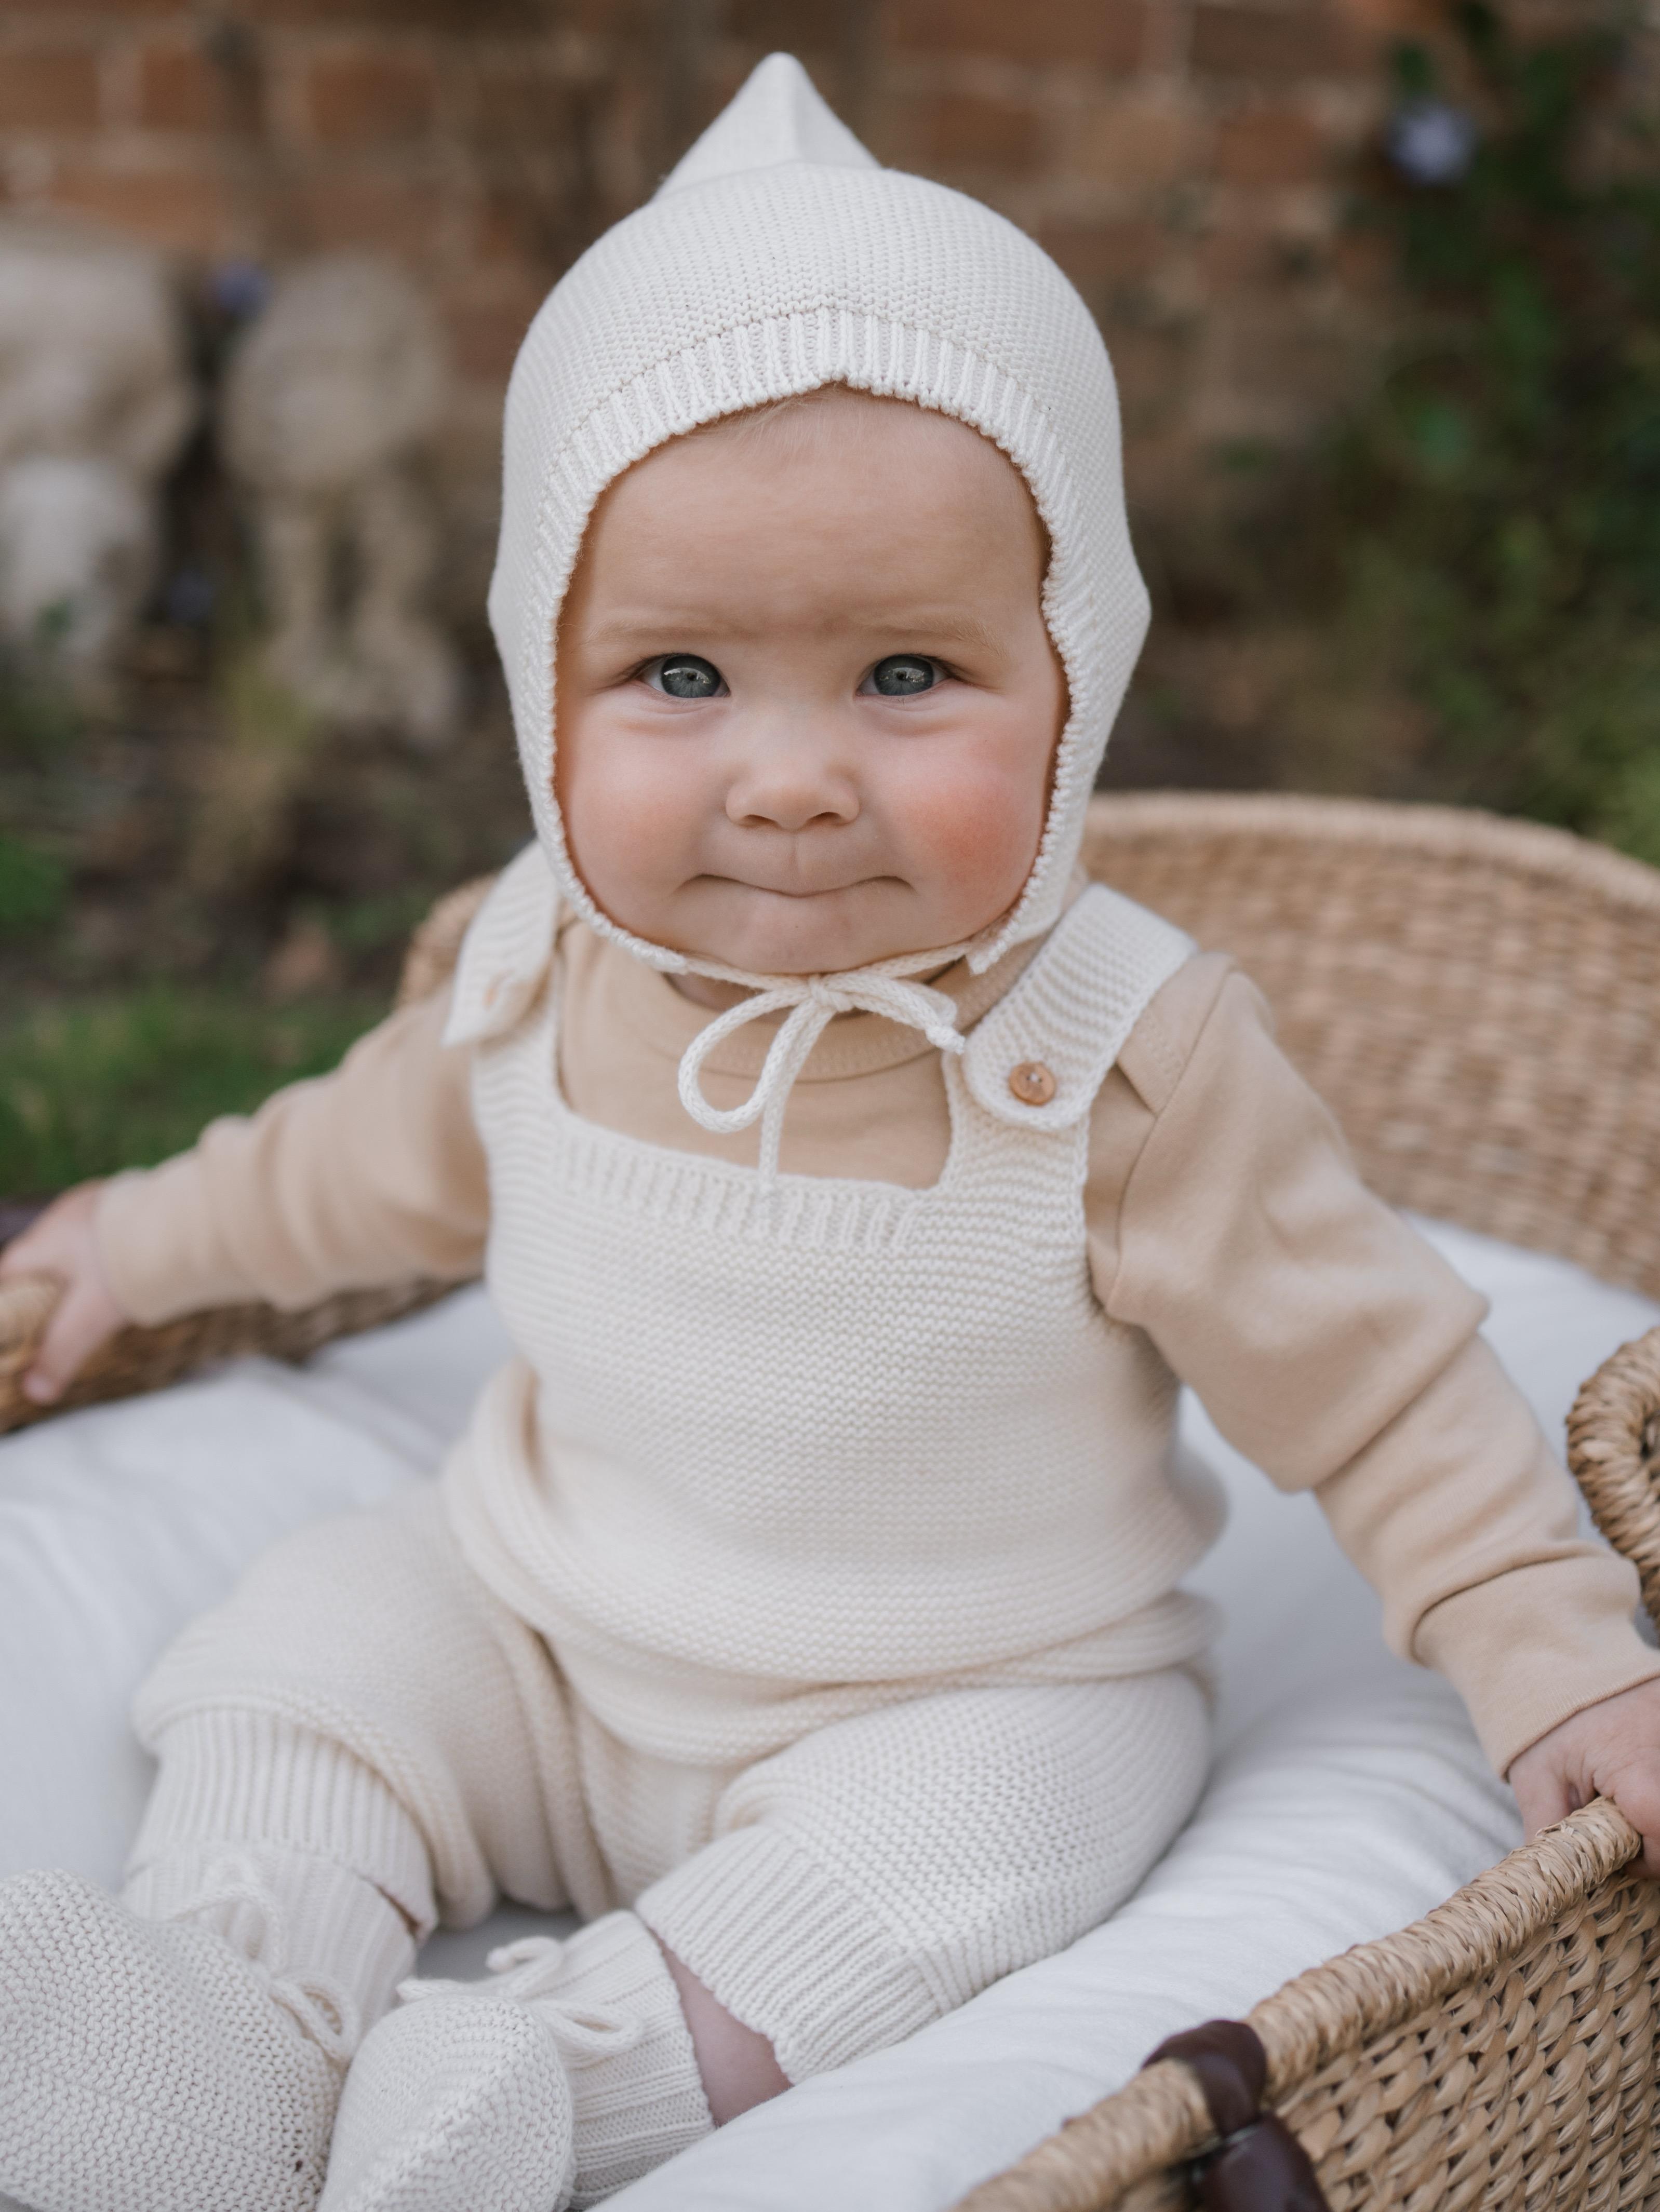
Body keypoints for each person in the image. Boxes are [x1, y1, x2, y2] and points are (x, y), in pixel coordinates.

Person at [4, 53, 1660, 2212]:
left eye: (902, 676)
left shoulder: (1121, 1053)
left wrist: (1554, 1669)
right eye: (681, 678)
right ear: (542, 690)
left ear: (1072, 684)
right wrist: (131, 1244)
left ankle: (543, 2091)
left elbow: (1386, 1390)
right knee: (312, 1655)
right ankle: (242, 2019)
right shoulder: (535, 966)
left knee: (996, 1847)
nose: (788, 778)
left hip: (959, 1692)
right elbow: (343, 1168)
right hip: (539, 1620)